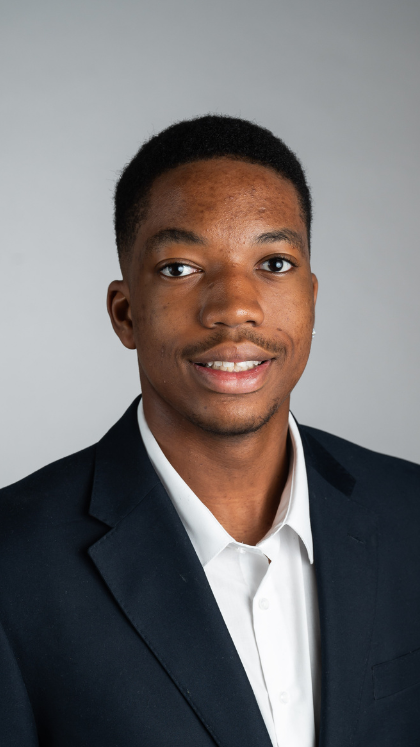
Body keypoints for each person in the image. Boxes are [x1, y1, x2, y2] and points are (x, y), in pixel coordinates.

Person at [0, 115, 419, 747]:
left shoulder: (410, 512)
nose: (235, 307)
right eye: (179, 268)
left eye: (273, 262)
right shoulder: (14, 565)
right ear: (125, 313)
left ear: (311, 299)